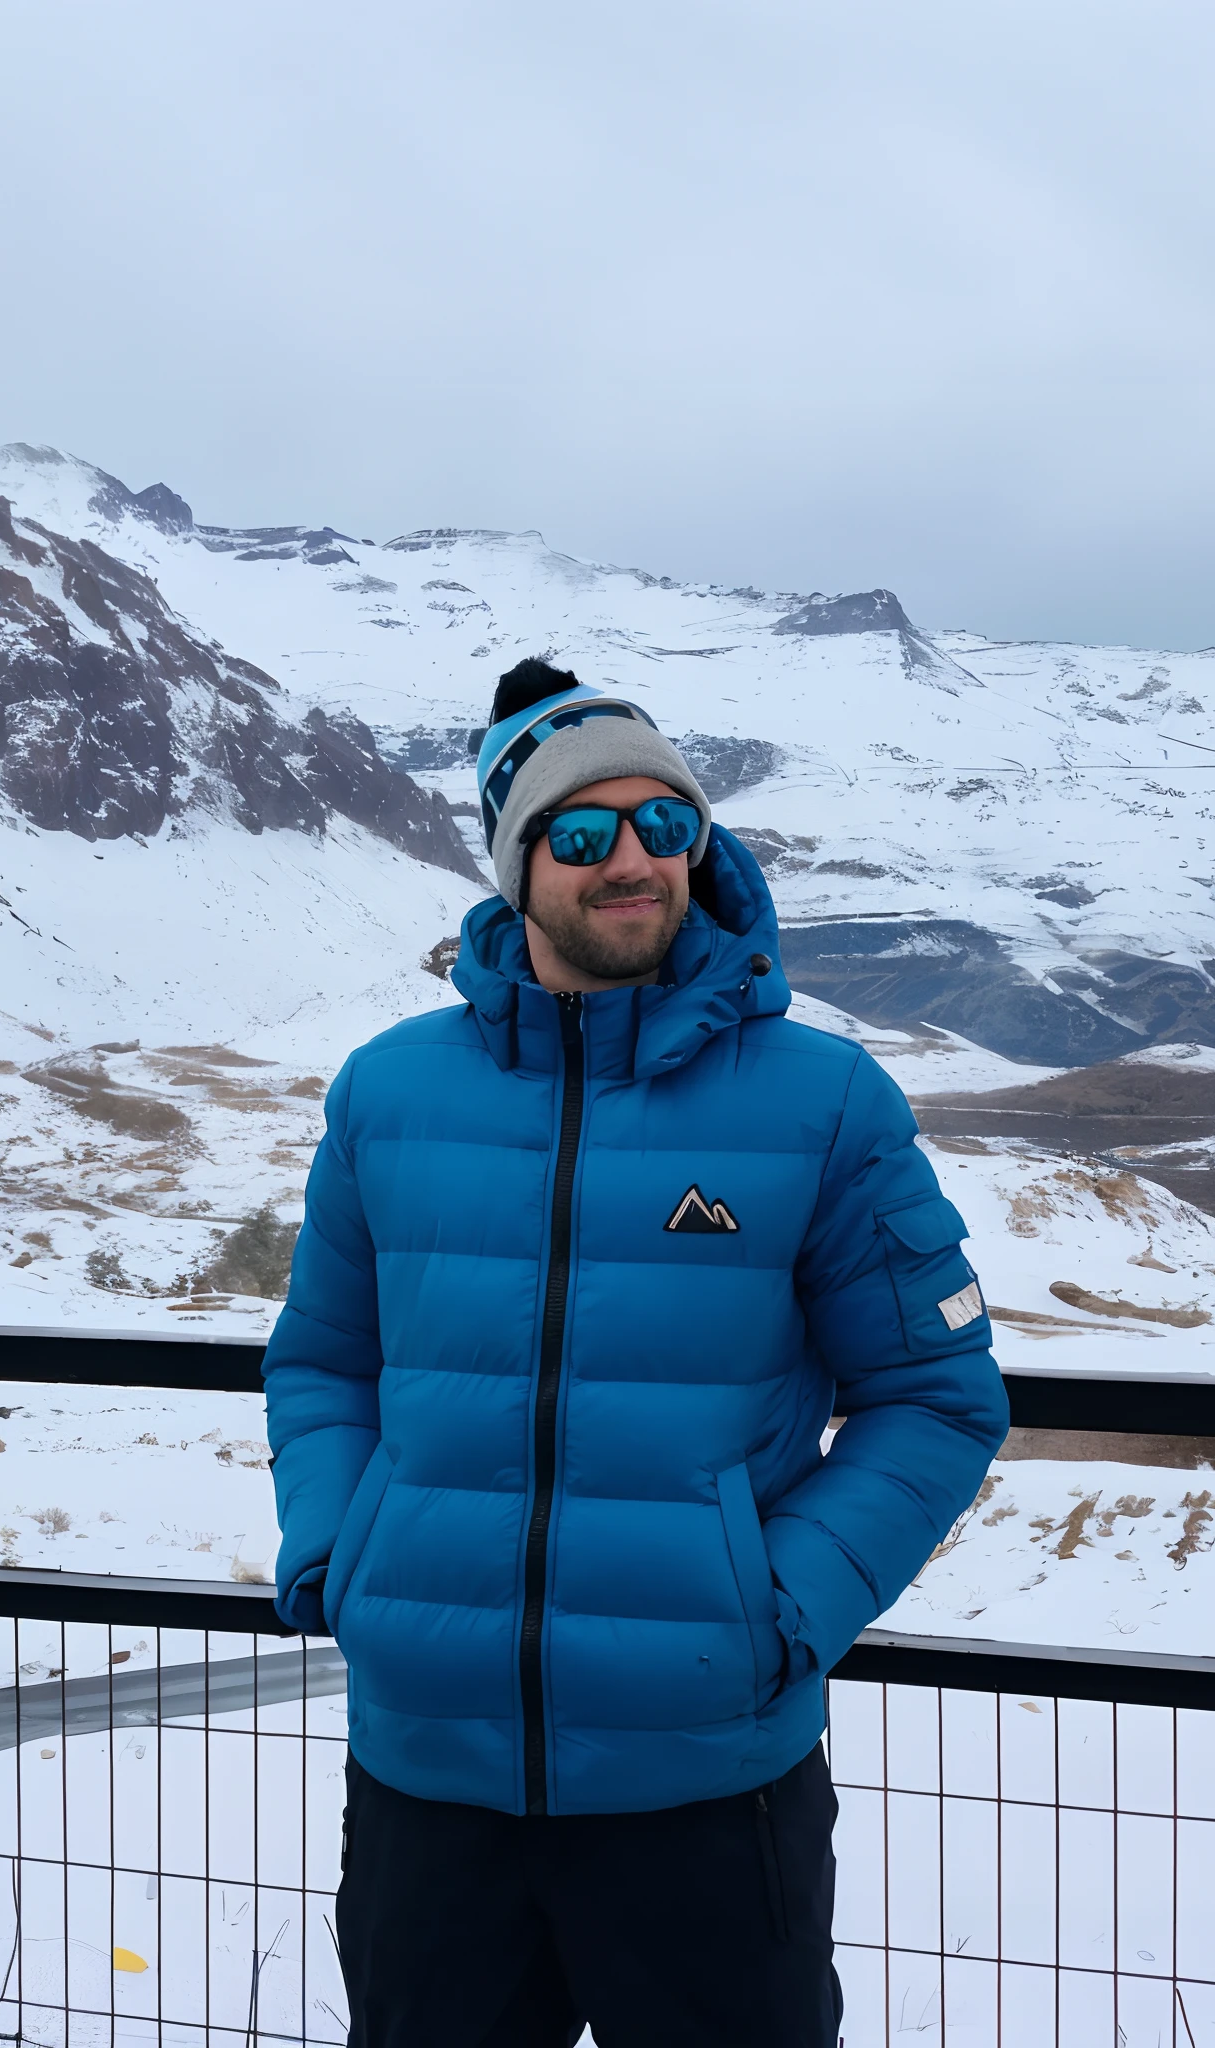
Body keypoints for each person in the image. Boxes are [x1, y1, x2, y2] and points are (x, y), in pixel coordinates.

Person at [262, 658, 1008, 2047]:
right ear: (516, 862)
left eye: (665, 827)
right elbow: (323, 1363)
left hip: (709, 1790)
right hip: (430, 1785)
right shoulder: (388, 1093)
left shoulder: (824, 1101)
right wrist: (337, 1556)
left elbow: (934, 1400)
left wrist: (780, 1611)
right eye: (586, 833)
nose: (633, 863)